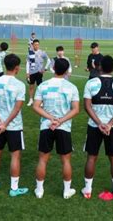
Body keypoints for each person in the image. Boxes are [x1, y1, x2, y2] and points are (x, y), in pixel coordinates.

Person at [33, 58, 80, 199]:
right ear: (66, 70)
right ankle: (67, 191)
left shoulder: (43, 85)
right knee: (66, 160)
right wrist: (60, 121)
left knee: (42, 159)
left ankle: (39, 191)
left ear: (53, 68)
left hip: (46, 126)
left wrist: (51, 119)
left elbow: (36, 106)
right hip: (63, 127)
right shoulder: (71, 87)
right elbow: (76, 109)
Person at [81, 55, 113, 200]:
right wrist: (110, 124)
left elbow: (87, 106)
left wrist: (99, 123)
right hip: (112, 128)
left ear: (99, 67)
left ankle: (87, 190)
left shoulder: (91, 83)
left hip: (94, 126)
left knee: (91, 157)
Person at [0, 54, 29, 196]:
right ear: (17, 68)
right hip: (14, 126)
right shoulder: (19, 85)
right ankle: (14, 188)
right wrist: (5, 123)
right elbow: (17, 108)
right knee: (15, 156)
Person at [26, 39, 48, 106]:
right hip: (32, 72)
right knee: (31, 86)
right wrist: (27, 73)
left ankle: (41, 101)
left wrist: (45, 69)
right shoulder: (30, 53)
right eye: (35, 45)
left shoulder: (42, 52)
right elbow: (27, 63)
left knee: (40, 87)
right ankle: (31, 100)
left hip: (39, 72)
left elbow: (49, 60)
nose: (37, 46)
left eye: (38, 44)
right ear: (32, 45)